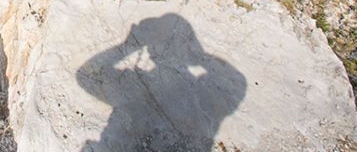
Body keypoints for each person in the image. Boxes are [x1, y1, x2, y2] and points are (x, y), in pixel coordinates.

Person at [76, 13, 247, 151]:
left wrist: (129, 45)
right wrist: (198, 57)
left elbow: (84, 75)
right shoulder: (203, 91)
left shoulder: (134, 87)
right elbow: (239, 81)